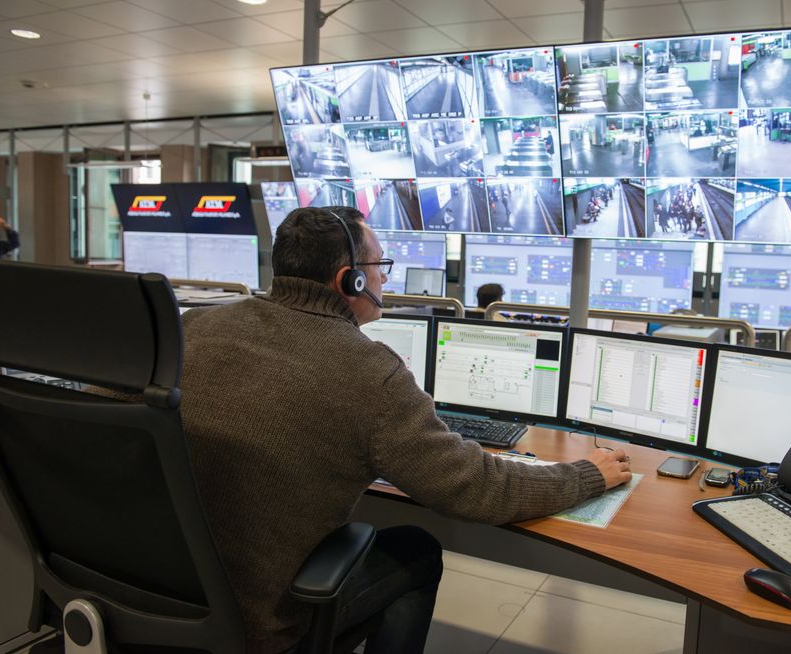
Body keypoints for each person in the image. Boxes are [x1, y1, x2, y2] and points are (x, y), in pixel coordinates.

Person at [178, 206, 630, 654]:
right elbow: (476, 487)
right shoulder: (366, 370)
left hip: (161, 598)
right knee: (415, 549)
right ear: (349, 280)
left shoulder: (193, 326)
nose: (385, 280)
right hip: (260, 623)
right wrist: (588, 474)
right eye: (379, 267)